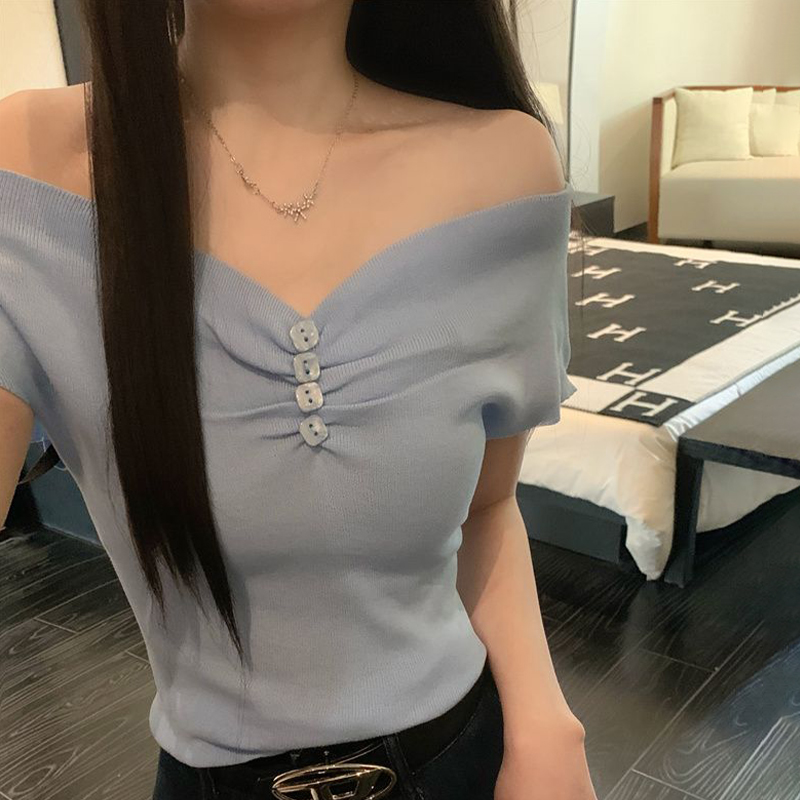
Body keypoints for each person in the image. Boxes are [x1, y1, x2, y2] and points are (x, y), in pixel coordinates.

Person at [0, 0, 596, 798]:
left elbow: (486, 507)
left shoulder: (507, 164)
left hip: (466, 760)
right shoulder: (24, 173)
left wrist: (546, 725)